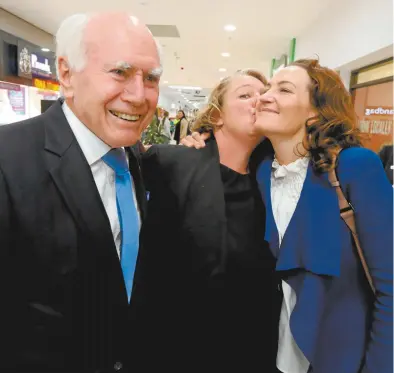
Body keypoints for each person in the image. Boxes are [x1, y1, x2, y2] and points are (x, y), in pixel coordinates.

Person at [185, 59, 393, 373]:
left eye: (283, 90)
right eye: (268, 87)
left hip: (341, 359)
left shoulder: (353, 167)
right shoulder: (260, 173)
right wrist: (199, 139)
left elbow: (390, 286)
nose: (265, 96)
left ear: (315, 111)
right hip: (271, 354)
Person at [0, 12, 162, 372]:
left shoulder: (135, 157)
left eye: (151, 78)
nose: (139, 96)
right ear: (67, 74)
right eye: (119, 72)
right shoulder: (8, 160)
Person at [139, 69, 281, 371]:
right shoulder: (172, 164)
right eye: (245, 95)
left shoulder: (273, 181)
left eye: (264, 95)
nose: (259, 100)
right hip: (181, 349)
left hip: (253, 350)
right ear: (217, 116)